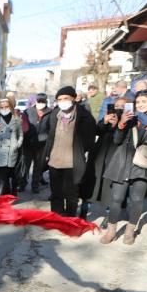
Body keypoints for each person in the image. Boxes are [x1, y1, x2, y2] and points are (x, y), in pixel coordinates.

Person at [100, 90, 147, 245]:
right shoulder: (130, 118)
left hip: (143, 164)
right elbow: (117, 140)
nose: (141, 105)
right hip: (123, 161)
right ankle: (111, 231)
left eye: (144, 101)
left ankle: (129, 231)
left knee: (136, 199)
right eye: (138, 102)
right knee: (116, 198)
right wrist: (121, 124)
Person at [42, 86, 96, 217]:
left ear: (74, 98)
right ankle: (56, 217)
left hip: (73, 162)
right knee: (56, 194)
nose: (62, 101)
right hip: (54, 161)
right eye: (59, 99)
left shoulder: (85, 117)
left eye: (65, 98)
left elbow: (89, 140)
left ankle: (70, 219)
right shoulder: (55, 114)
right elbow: (49, 135)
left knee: (71, 194)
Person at [87, 97, 130, 228]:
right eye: (116, 105)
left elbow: (119, 138)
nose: (118, 108)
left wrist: (119, 124)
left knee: (109, 185)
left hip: (116, 154)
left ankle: (109, 213)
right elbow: (97, 131)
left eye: (122, 106)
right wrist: (104, 122)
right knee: (93, 182)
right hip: (100, 152)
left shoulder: (130, 119)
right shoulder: (108, 116)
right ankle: (85, 207)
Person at [0, 98, 23, 196]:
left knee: (7, 177)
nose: (4, 109)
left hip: (11, 152)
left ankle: (5, 195)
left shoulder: (17, 119)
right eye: (2, 107)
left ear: (11, 107)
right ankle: (3, 197)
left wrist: (17, 144)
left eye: (6, 107)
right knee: (2, 178)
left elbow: (21, 135)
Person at [23, 93, 52, 193]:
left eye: (43, 102)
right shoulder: (28, 111)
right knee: (25, 166)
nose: (40, 103)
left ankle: (35, 186)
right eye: (39, 101)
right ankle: (22, 184)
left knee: (38, 167)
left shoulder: (50, 112)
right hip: (28, 143)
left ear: (46, 102)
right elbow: (23, 126)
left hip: (42, 144)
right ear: (35, 101)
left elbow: (51, 129)